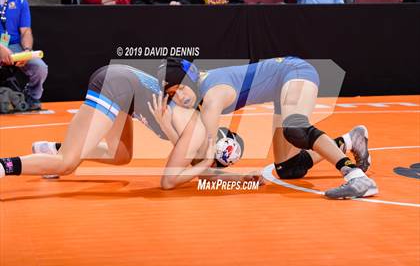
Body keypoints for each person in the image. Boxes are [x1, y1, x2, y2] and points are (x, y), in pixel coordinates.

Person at [0, 64, 258, 190]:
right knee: (67, 164)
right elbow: (169, 181)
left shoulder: (198, 141)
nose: (209, 166)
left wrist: (240, 179)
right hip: (117, 86)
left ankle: (49, 149)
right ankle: (4, 166)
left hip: (125, 91)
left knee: (121, 155)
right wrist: (217, 170)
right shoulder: (196, 134)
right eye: (214, 164)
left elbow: (194, 170)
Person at [156, 57, 378, 199]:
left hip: (295, 71)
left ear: (191, 79)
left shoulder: (212, 96)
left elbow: (201, 162)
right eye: (174, 95)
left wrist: (223, 169)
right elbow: (199, 163)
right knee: (289, 168)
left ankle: (357, 177)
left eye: (182, 88)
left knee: (296, 129)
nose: (182, 98)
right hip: (282, 87)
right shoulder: (202, 94)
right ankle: (351, 139)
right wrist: (240, 178)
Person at [0, 0, 48, 110]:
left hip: (14, 45)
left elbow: (26, 31)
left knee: (40, 67)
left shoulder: (20, 0)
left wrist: (27, 51)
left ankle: (32, 96)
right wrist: (1, 49)